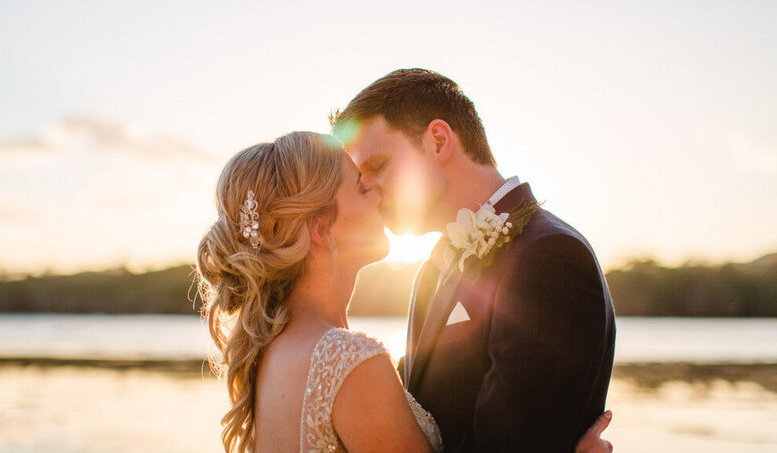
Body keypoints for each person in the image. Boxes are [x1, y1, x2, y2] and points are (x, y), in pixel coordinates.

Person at [196, 131, 613, 452]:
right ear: (320, 229)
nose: (377, 194)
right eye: (361, 188)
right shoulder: (349, 363)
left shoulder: (270, 352)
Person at [332, 68, 617, 452]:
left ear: (438, 140)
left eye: (378, 166)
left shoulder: (550, 258)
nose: (370, 191)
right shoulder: (434, 268)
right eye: (361, 180)